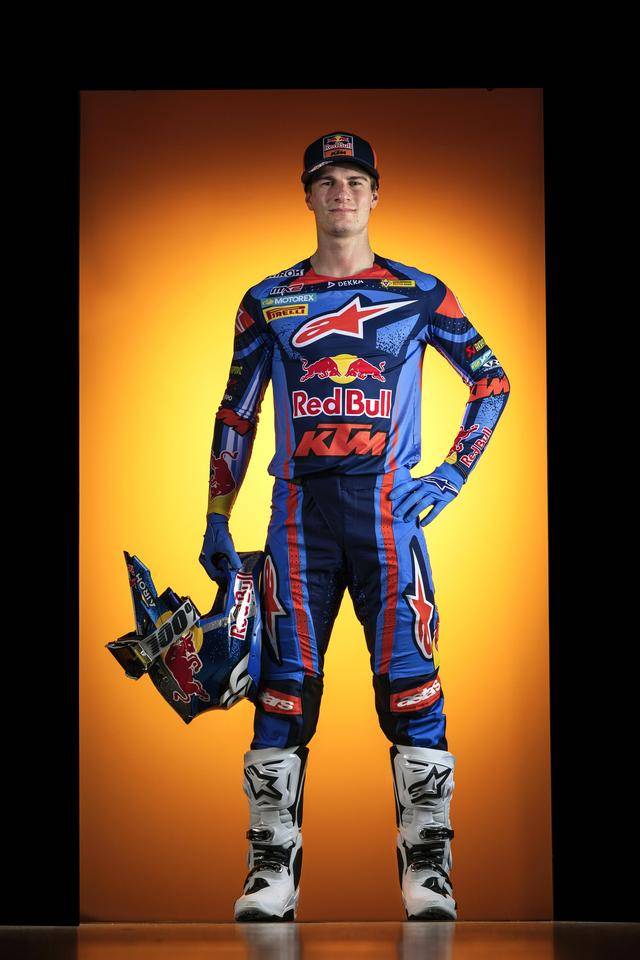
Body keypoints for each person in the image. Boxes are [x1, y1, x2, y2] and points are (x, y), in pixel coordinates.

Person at [199, 131, 510, 922]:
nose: (342, 193)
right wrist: (215, 517)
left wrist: (450, 474)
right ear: (307, 194)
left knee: (412, 690)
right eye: (327, 180)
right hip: (296, 522)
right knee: (281, 694)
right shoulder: (267, 300)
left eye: (355, 180)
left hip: (387, 520)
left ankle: (429, 871)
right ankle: (269, 872)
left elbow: (491, 380)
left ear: (375, 194)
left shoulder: (420, 292)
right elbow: (237, 412)